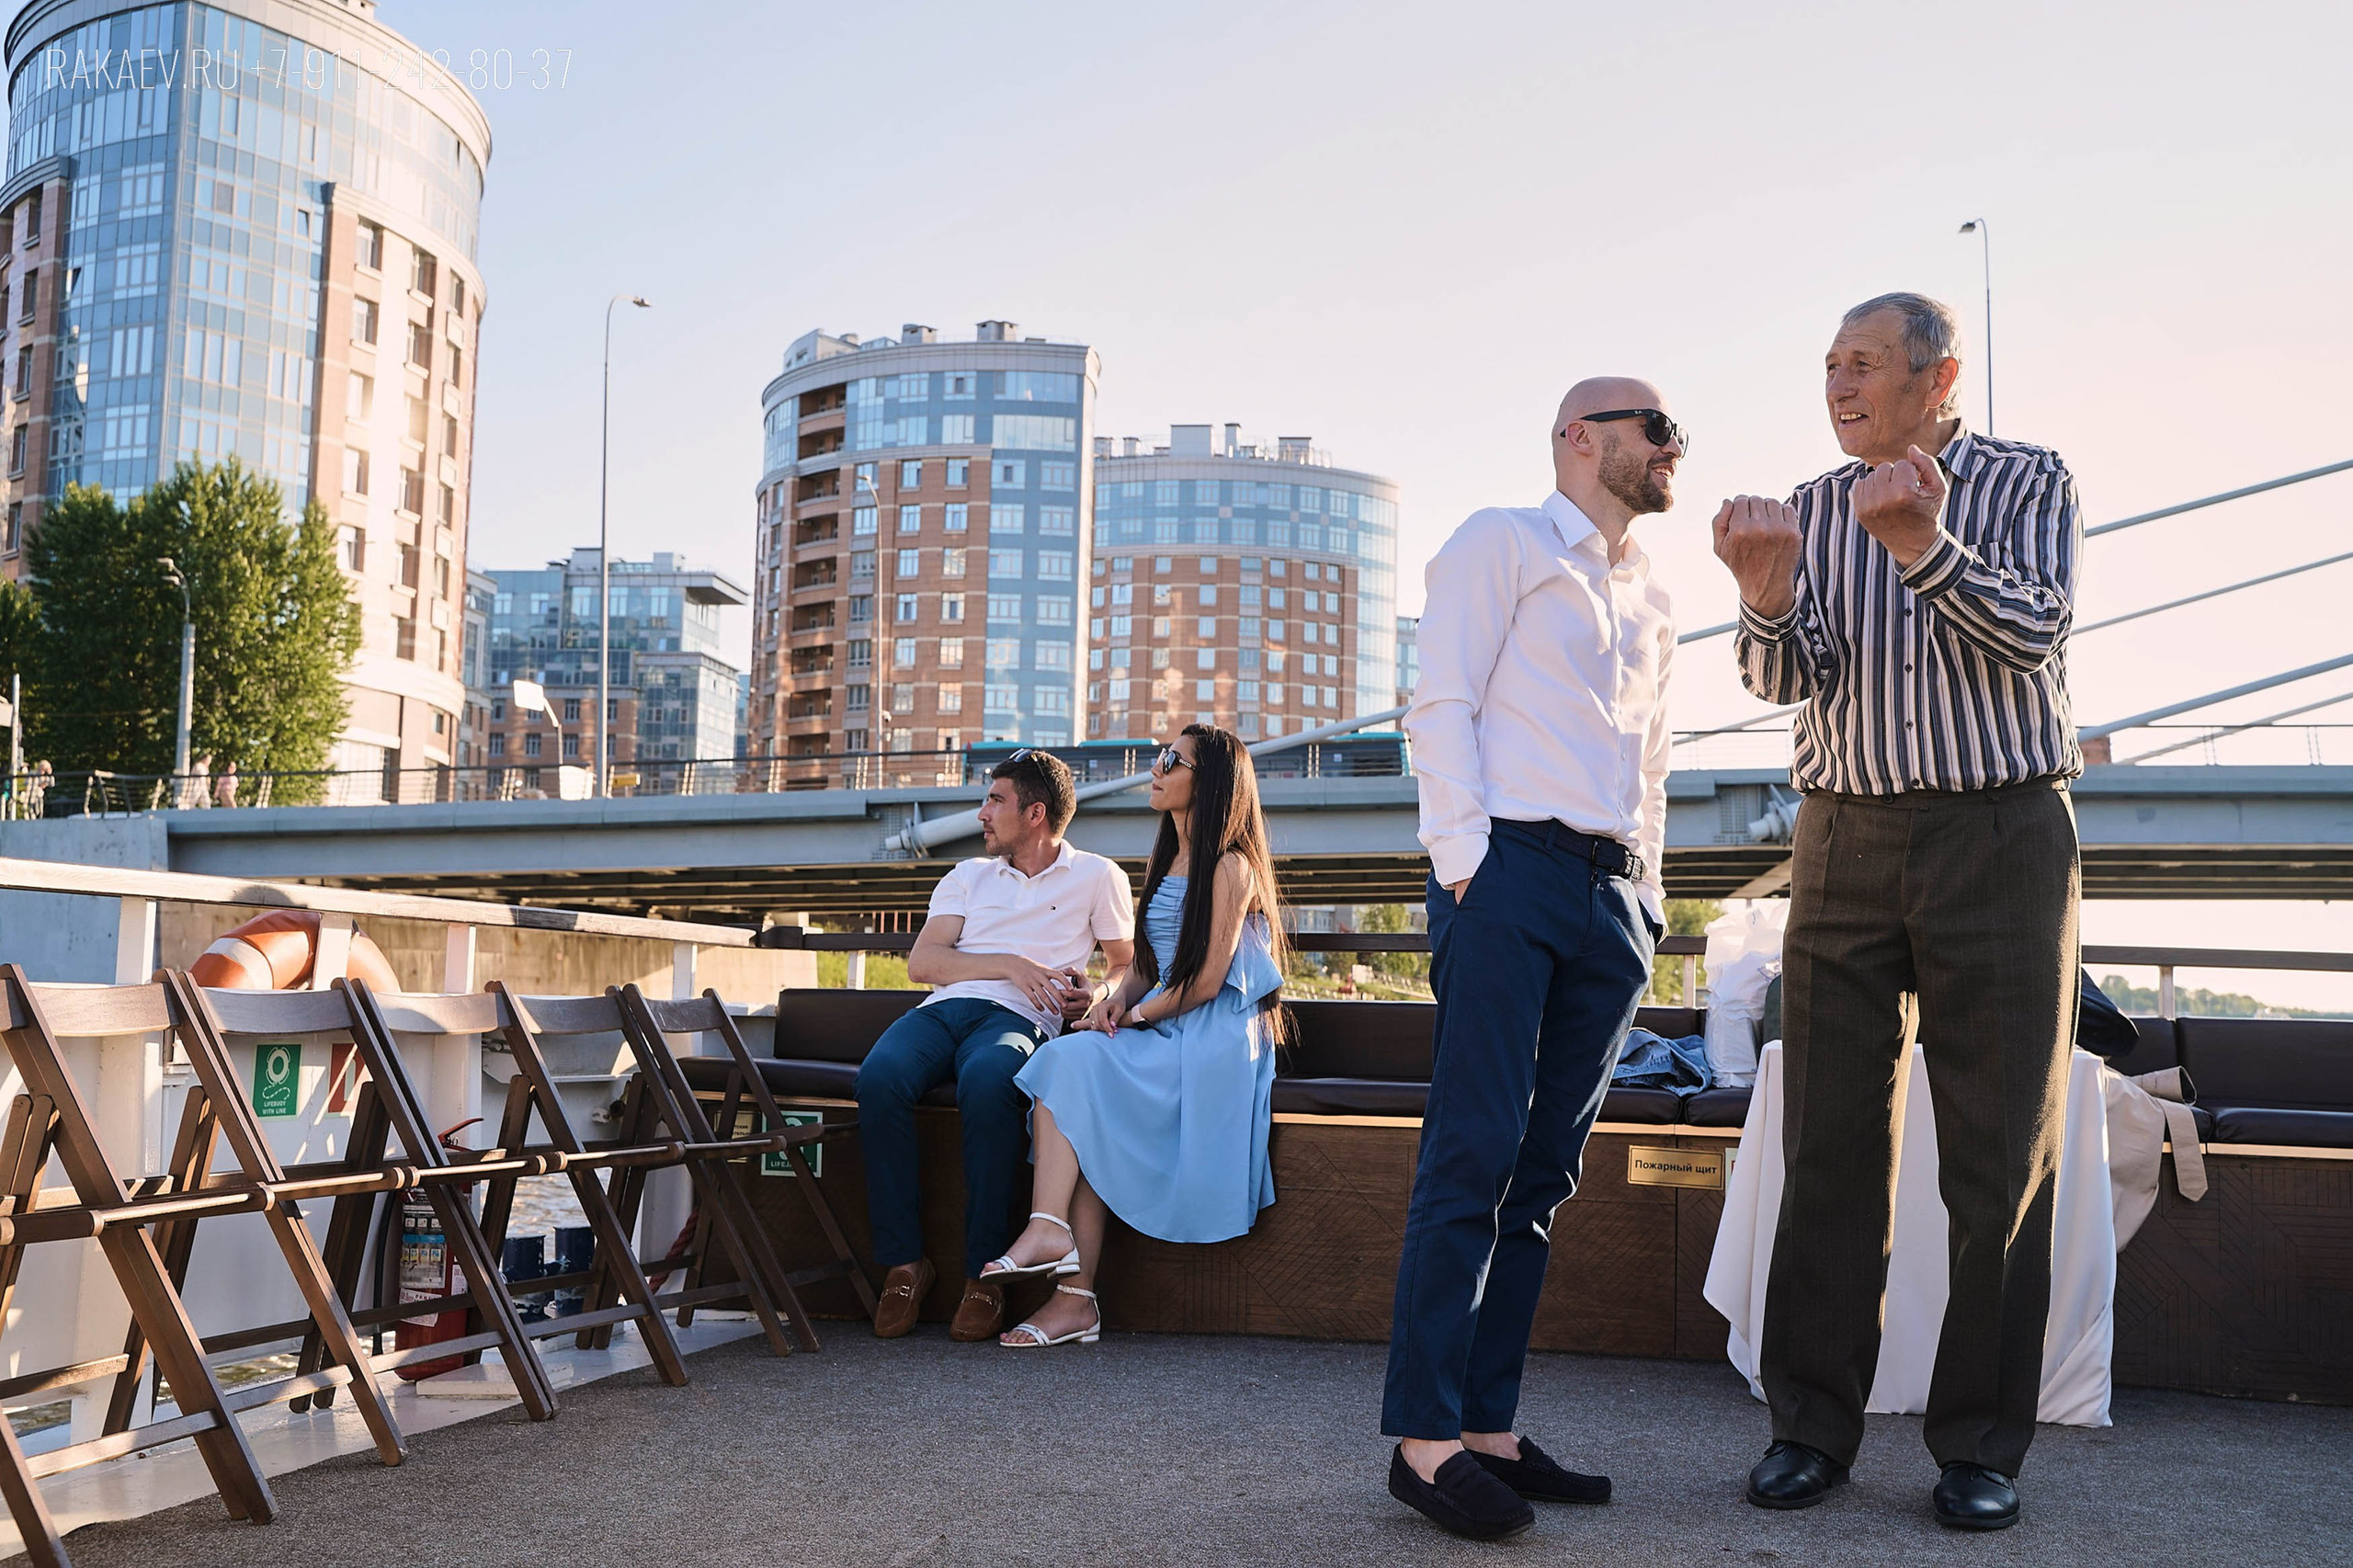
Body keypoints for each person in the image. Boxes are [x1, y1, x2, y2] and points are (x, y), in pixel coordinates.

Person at [1713, 292, 2082, 1532]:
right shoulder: (1811, 510)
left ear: (1941, 375)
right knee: (1824, 1140)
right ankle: (1808, 1427)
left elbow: (2036, 633)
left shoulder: (2029, 481)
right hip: (1847, 837)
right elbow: (1784, 677)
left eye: (1862, 364)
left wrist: (1925, 546)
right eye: (1827, 365)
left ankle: (1979, 1445)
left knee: (1998, 1159)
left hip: (2002, 830)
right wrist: (1765, 593)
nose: (1837, 384)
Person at [1382, 379, 1683, 1540]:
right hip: (1507, 871)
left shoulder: (1653, 597)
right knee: (1471, 1155)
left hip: (1608, 898)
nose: (1673, 449)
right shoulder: (1499, 543)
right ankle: (1422, 1440)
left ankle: (1488, 1427)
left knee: (1541, 1177)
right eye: (1658, 429)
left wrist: (1647, 894)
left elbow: (1651, 762)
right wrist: (1466, 864)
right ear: (1582, 437)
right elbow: (1440, 702)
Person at [985, 724, 1287, 1348]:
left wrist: (1136, 1016)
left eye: (1172, 759)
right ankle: (1065, 1273)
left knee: (1077, 1075)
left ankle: (1062, 1269)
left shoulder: (1232, 866)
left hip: (1211, 1037)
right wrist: (1111, 1003)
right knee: (1071, 1065)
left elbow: (1205, 982)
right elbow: (1147, 965)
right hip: (1160, 1019)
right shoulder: (1165, 857)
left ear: (1210, 782)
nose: (1157, 767)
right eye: (1160, 756)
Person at [853, 748, 1136, 1342]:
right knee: (878, 1077)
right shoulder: (967, 876)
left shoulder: (1097, 877)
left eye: (994, 801)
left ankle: (984, 1275)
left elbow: (1126, 965)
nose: (981, 813)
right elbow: (923, 963)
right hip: (943, 1010)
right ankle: (905, 1263)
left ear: (1035, 814)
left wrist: (1098, 995)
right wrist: (1008, 962)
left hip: (1021, 1019)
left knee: (989, 1083)